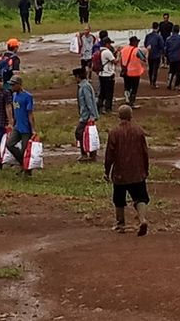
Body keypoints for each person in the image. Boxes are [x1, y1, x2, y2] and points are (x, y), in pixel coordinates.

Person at [104, 105, 150, 236]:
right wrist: (145, 170)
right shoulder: (139, 131)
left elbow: (109, 155)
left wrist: (107, 171)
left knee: (119, 199)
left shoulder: (114, 132)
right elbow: (145, 153)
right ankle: (142, 219)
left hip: (120, 173)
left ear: (119, 117)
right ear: (131, 116)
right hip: (137, 172)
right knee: (141, 197)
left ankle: (121, 224)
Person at [6, 76, 36, 175]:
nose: (11, 87)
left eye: (13, 85)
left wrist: (33, 129)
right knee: (9, 144)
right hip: (17, 126)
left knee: (24, 150)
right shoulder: (14, 96)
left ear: (19, 85)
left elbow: (30, 113)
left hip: (26, 128)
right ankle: (23, 165)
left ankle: (27, 170)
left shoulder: (28, 96)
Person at [74, 68, 99, 162]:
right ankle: (91, 155)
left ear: (78, 77)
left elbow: (89, 102)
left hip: (86, 116)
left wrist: (91, 116)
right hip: (86, 115)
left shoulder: (84, 87)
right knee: (88, 134)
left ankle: (86, 154)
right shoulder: (85, 85)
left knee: (79, 133)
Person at [120, 36, 147, 108]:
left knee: (127, 87)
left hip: (125, 71)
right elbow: (143, 59)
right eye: (137, 42)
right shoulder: (136, 50)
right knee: (134, 88)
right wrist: (147, 52)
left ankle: (127, 99)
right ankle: (131, 103)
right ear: (134, 42)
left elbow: (121, 59)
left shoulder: (124, 49)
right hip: (135, 72)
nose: (138, 43)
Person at [96, 37, 116, 114]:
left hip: (101, 74)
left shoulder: (100, 51)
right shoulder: (107, 52)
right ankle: (108, 109)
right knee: (109, 93)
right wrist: (119, 55)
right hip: (108, 75)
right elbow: (115, 61)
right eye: (110, 43)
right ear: (107, 44)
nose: (110, 45)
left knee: (102, 92)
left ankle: (99, 107)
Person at [165, 26, 180, 90]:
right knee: (179, 72)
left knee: (171, 71)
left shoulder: (168, 39)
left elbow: (166, 49)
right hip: (179, 57)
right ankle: (176, 85)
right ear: (179, 30)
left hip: (171, 57)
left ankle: (169, 83)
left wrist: (167, 56)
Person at [144, 22, 165, 88]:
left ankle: (151, 82)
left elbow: (145, 44)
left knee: (150, 69)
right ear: (158, 27)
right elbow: (162, 46)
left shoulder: (148, 36)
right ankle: (154, 82)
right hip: (157, 55)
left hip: (150, 54)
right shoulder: (159, 36)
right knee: (155, 69)